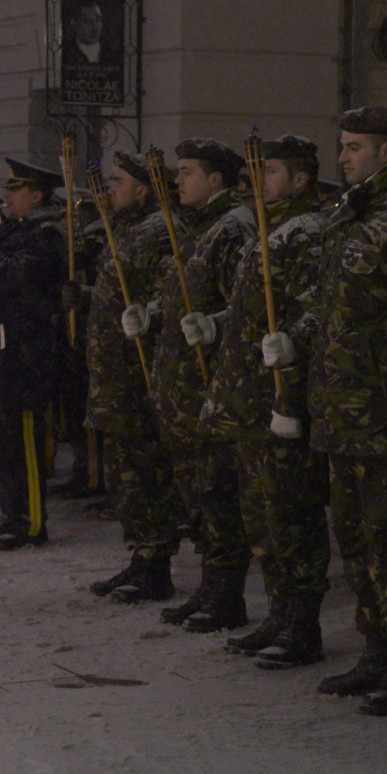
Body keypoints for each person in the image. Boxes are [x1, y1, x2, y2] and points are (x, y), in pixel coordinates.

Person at [283, 105, 387, 712]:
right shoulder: (349, 212)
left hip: (385, 408)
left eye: (354, 147)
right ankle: (375, 653)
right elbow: (332, 302)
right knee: (355, 538)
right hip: (341, 406)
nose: (343, 157)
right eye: (342, 147)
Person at [214, 135, 336, 666]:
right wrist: (215, 323)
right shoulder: (270, 229)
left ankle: (302, 625)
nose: (259, 183)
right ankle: (279, 613)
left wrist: (293, 341)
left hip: (282, 397)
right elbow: (249, 312)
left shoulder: (306, 233)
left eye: (271, 174)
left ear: (301, 180)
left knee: (291, 515)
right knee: (262, 516)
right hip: (250, 396)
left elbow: (312, 308)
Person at [149, 140, 254, 632]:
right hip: (182, 386)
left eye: (187, 172)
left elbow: (246, 303)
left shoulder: (231, 229)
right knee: (197, 492)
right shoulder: (194, 228)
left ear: (217, 180)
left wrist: (214, 324)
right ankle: (209, 586)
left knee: (217, 492)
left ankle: (227, 593)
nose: (178, 181)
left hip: (212, 386)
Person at [84, 156, 179, 600]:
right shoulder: (124, 228)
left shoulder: (158, 230)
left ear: (143, 189)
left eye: (119, 182)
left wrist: (148, 318)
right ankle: (140, 555)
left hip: (136, 371)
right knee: (123, 473)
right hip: (113, 373)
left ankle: (156, 564)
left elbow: (162, 293)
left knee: (143, 471)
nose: (111, 189)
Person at [0, 158, 68, 550]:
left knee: (24, 441)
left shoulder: (45, 235)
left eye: (15, 190)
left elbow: (11, 277)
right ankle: (12, 515)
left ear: (37, 195)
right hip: (0, 346)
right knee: (2, 441)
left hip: (25, 351)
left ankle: (32, 521)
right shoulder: (14, 231)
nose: (6, 196)